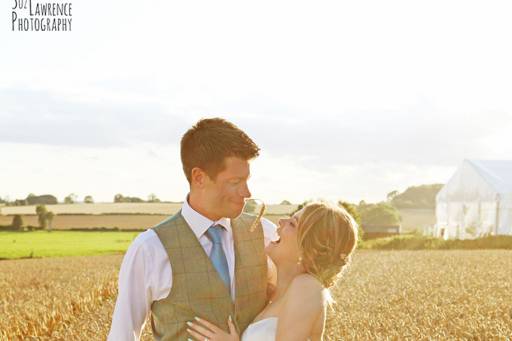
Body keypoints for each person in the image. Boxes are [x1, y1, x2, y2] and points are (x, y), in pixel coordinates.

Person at [108, 118, 278, 340]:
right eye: (235, 182)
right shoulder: (150, 249)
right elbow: (122, 336)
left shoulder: (265, 234)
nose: (246, 192)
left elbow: (300, 307)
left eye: (246, 180)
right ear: (199, 177)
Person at [186, 201, 358, 341]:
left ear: (309, 250)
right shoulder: (273, 296)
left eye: (292, 224)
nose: (281, 222)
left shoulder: (307, 287)